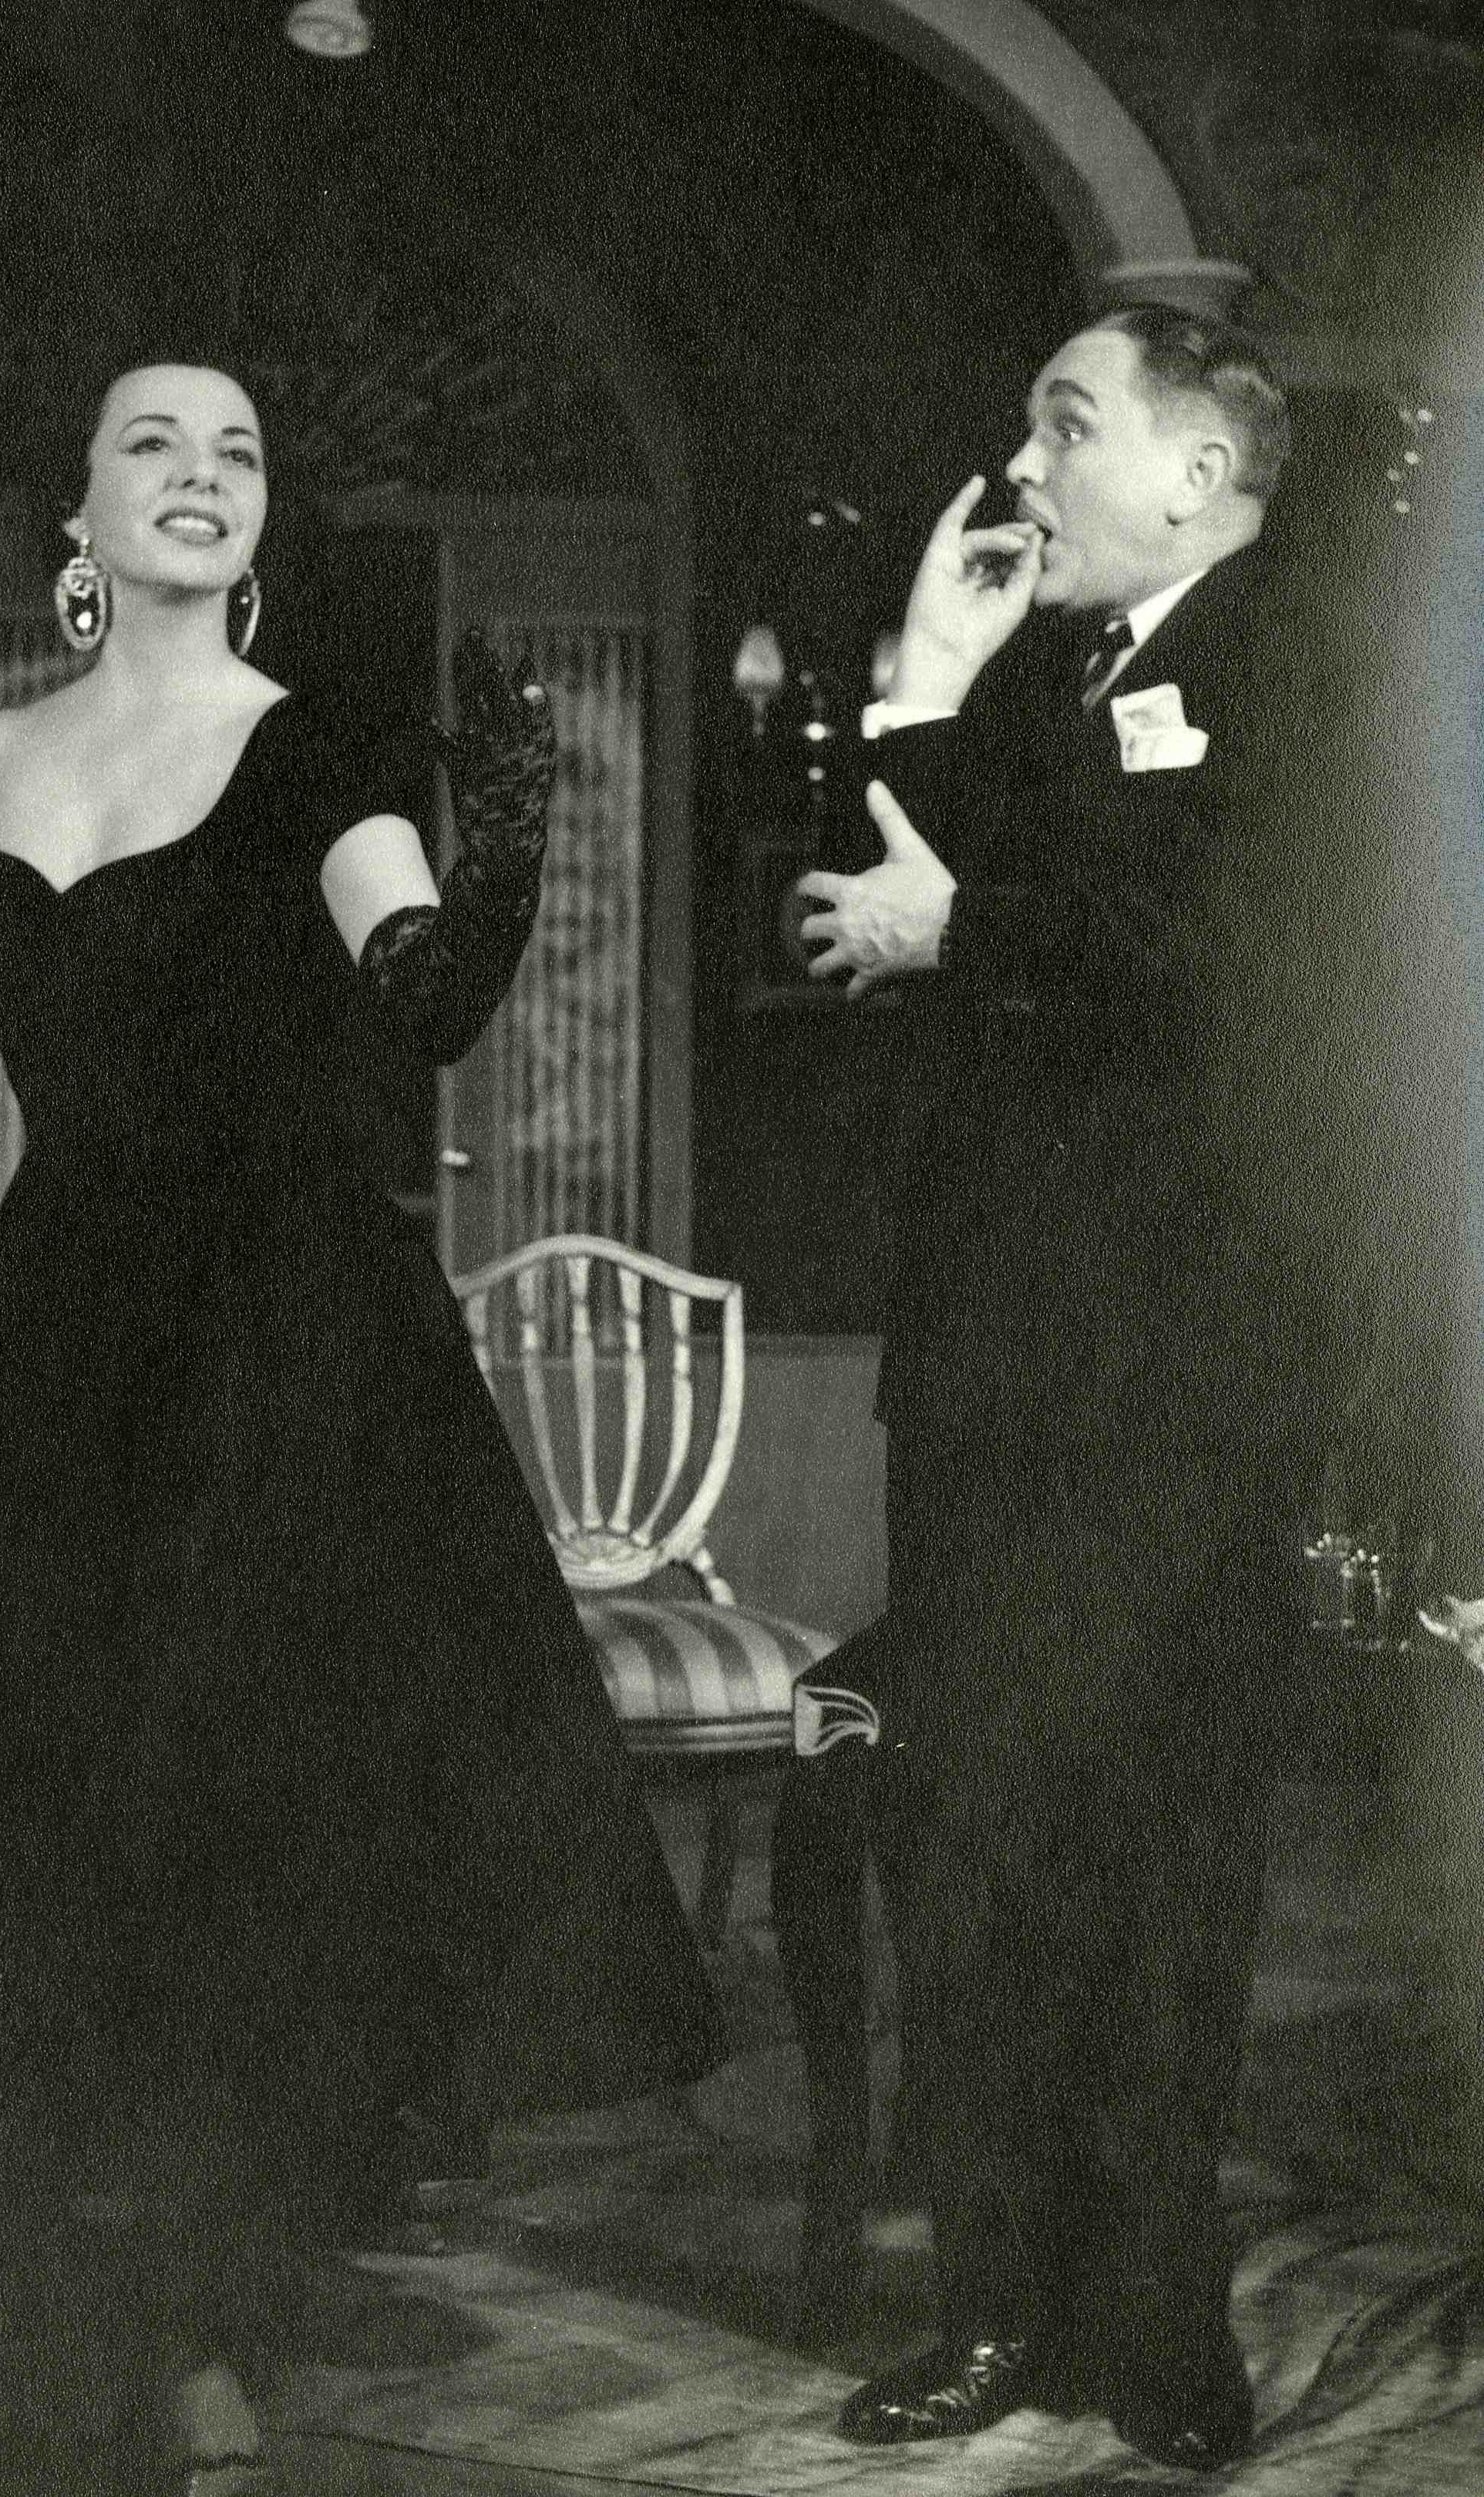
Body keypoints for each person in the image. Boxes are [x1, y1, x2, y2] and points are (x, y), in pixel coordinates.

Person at [0, 352, 724, 2492]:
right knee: (37, 1809)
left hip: (291, 1334)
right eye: (154, 447)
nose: (203, 477)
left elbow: (430, 1002)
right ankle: (80, 2295)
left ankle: (199, 2316)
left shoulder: (317, 751)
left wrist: (515, 831)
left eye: (238, 453)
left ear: (258, 523)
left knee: (230, 1813)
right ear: (80, 517)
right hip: (65, 1336)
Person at [769, 305, 1392, 2472]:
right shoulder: (1046, 681)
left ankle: (1156, 2325)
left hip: (1183, 1381)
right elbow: (927, 915)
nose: (1023, 466)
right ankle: (999, 2313)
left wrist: (957, 896)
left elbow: (1213, 964)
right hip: (988, 1360)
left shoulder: (1310, 673)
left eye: (1067, 423)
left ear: (1203, 475)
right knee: (974, 1838)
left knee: (1162, 1851)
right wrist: (922, 710)